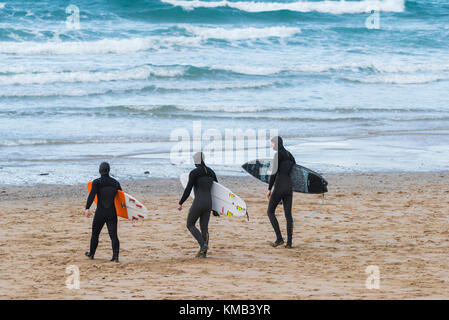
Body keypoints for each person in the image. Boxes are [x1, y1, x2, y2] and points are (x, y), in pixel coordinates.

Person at [178, 152, 217, 258]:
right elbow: (217, 192)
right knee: (204, 228)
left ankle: (203, 245)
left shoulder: (194, 172)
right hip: (209, 203)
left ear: (196, 161)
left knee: (190, 224)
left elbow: (188, 189)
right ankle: (203, 253)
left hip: (199, 202)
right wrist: (215, 209)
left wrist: (181, 202)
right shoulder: (211, 172)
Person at [85, 162, 122, 262]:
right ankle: (116, 257)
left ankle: (91, 254)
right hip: (112, 213)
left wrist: (87, 208)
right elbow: (121, 199)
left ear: (99, 170)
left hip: (100, 213)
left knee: (95, 234)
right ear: (109, 170)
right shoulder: (115, 183)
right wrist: (124, 213)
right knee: (113, 235)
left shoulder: (97, 182)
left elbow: (92, 195)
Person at [266, 136, 296, 248]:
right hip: (289, 188)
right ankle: (289, 243)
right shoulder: (290, 155)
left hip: (279, 187)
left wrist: (269, 189)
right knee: (288, 215)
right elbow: (295, 170)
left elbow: (273, 173)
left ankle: (279, 239)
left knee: (270, 212)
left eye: (272, 143)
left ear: (276, 144)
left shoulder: (277, 155)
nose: (271, 145)